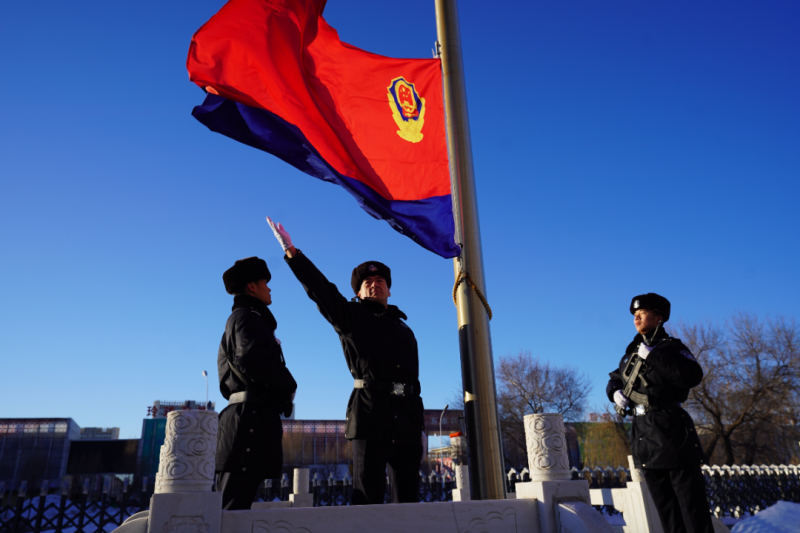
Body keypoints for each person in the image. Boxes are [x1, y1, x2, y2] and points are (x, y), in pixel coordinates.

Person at [267, 217, 426, 505]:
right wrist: (293, 253)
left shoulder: (405, 329)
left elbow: (414, 380)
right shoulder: (351, 318)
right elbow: (322, 291)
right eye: (368, 283)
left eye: (380, 281)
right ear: (358, 293)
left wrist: (420, 426)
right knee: (367, 498)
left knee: (409, 500)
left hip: (407, 421)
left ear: (389, 289)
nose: (375, 285)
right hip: (371, 417)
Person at [607, 293, 713, 533]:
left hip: (672, 434)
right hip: (643, 437)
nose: (636, 317)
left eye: (642, 313)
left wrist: (654, 356)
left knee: (693, 512)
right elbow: (615, 378)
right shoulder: (631, 353)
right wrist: (614, 392)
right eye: (635, 314)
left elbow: (692, 376)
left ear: (659, 318)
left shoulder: (672, 348)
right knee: (668, 515)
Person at [215, 256, 297, 510]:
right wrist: (289, 386)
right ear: (252, 286)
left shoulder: (247, 318)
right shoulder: (247, 317)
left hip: (247, 419)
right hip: (247, 422)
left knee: (233, 506)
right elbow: (252, 359)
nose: (269, 289)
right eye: (265, 283)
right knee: (231, 511)